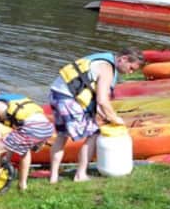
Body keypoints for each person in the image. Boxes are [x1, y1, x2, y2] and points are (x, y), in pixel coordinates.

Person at [47, 49, 144, 183]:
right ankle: (80, 175)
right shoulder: (107, 68)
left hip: (56, 94)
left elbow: (97, 102)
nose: (130, 72)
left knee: (62, 135)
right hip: (69, 99)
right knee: (94, 133)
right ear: (124, 59)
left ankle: (53, 177)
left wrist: (106, 117)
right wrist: (116, 119)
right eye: (131, 68)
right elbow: (102, 100)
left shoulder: (100, 59)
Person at [0, 85, 55, 203]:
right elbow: (13, 137)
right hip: (47, 127)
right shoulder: (14, 99)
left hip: (33, 128)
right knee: (24, 149)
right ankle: (22, 185)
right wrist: (7, 158)